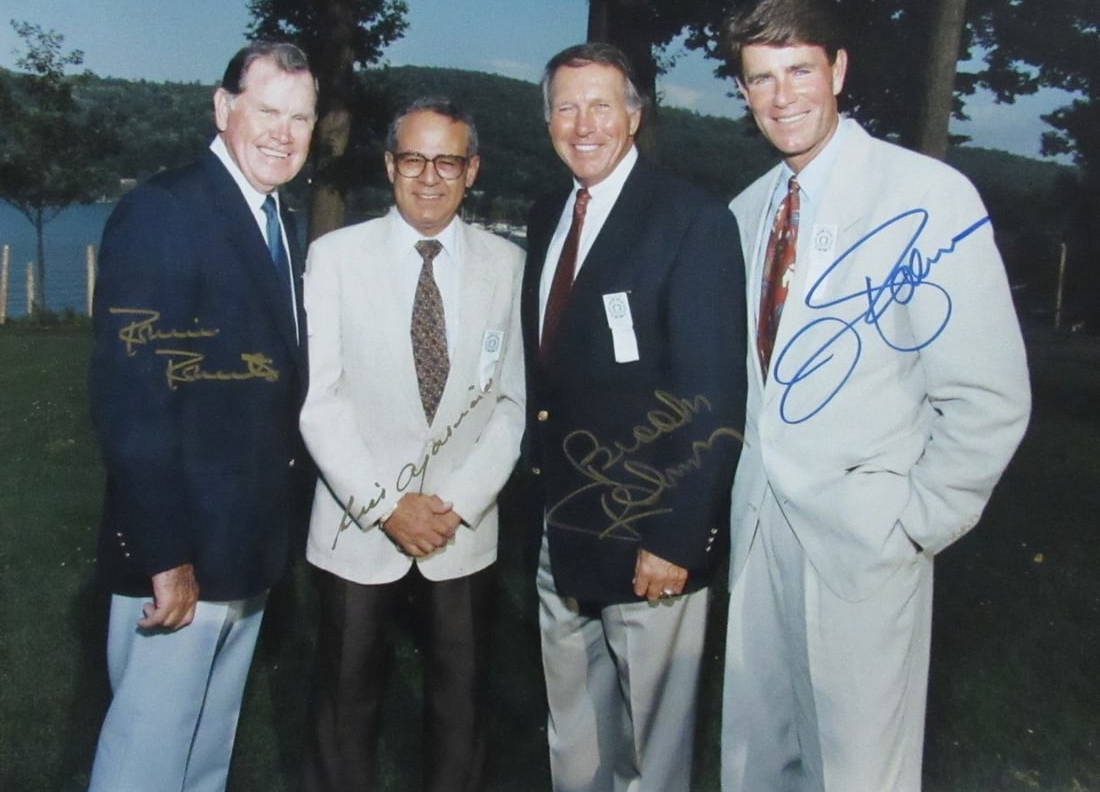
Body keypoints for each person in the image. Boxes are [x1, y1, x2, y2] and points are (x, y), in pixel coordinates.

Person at [718, 0, 1032, 792]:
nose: (781, 96)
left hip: (862, 540)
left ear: (840, 70)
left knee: (858, 773)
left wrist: (911, 524)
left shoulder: (925, 195)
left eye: (799, 70)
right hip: (760, 534)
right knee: (757, 763)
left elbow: (989, 395)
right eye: (760, 78)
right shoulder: (749, 210)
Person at [87, 40, 317, 791]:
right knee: (144, 767)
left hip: (245, 551)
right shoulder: (165, 211)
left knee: (202, 764)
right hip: (178, 559)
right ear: (223, 109)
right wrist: (165, 555)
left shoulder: (279, 219)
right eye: (267, 111)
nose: (283, 133)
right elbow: (133, 404)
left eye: (301, 117)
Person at [521, 42, 747, 792]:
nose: (583, 125)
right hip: (562, 532)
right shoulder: (548, 213)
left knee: (654, 755)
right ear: (547, 117)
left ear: (635, 115)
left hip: (651, 542)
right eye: (566, 106)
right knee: (574, 739)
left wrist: (675, 537)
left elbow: (710, 395)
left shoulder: (691, 221)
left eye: (602, 105)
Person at [298, 96, 525, 792]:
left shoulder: (509, 265)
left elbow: (512, 405)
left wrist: (452, 504)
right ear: (390, 165)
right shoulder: (334, 257)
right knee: (344, 716)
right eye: (415, 159)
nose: (431, 177)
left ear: (472, 169)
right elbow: (320, 401)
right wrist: (387, 504)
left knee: (460, 714)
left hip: (461, 533)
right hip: (355, 527)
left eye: (448, 161)